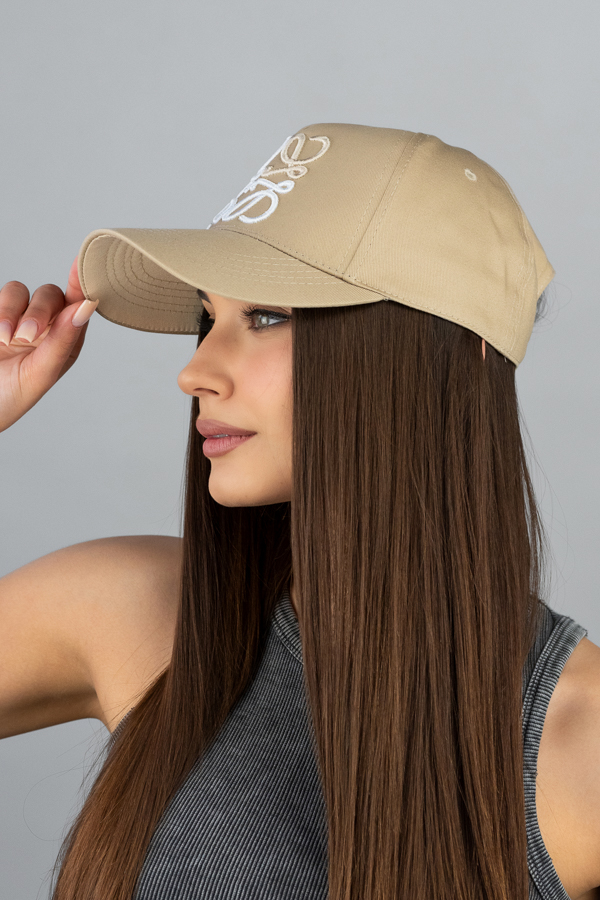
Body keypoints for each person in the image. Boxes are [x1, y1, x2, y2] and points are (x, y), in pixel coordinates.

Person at [0, 123, 599, 900]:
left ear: (454, 350)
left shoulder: (577, 741)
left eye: (267, 316)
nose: (195, 372)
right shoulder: (139, 611)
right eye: (208, 318)